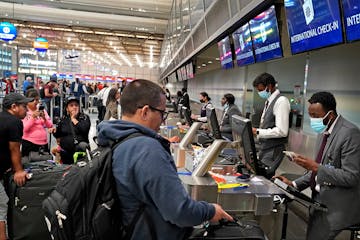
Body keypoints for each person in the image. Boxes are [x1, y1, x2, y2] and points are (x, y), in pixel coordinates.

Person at [97, 79, 232, 239]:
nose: (163, 119)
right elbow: (179, 211)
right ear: (145, 111)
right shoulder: (147, 149)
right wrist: (210, 210)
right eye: (162, 113)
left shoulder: (116, 137)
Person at [276, 91, 360, 240]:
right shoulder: (324, 131)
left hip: (337, 207)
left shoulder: (350, 134)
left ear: (331, 114)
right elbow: (320, 168)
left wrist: (315, 167)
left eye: (315, 116)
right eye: (310, 115)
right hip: (318, 202)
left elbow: (351, 177)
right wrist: (294, 184)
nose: (312, 119)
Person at [0, 93, 33, 240]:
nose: (27, 110)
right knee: (2, 204)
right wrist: (19, 171)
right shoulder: (14, 122)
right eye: (24, 107)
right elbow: (14, 149)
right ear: (14, 107)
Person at [252, 73, 290, 178]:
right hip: (265, 147)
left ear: (269, 86)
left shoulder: (281, 101)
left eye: (260, 90)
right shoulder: (269, 101)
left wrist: (257, 131)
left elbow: (282, 131)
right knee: (259, 176)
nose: (259, 93)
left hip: (274, 149)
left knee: (264, 177)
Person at [53, 97, 90, 164]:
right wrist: (54, 131)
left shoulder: (84, 117)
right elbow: (58, 135)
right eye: (71, 105)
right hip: (65, 153)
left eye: (76, 105)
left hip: (80, 152)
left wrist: (73, 119)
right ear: (67, 109)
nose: (74, 107)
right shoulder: (63, 119)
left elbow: (84, 129)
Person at [22, 88, 54, 156]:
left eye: (36, 100)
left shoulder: (41, 110)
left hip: (43, 143)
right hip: (29, 143)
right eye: (32, 100)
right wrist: (33, 117)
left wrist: (44, 118)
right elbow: (24, 129)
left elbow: (50, 125)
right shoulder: (23, 112)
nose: (35, 102)